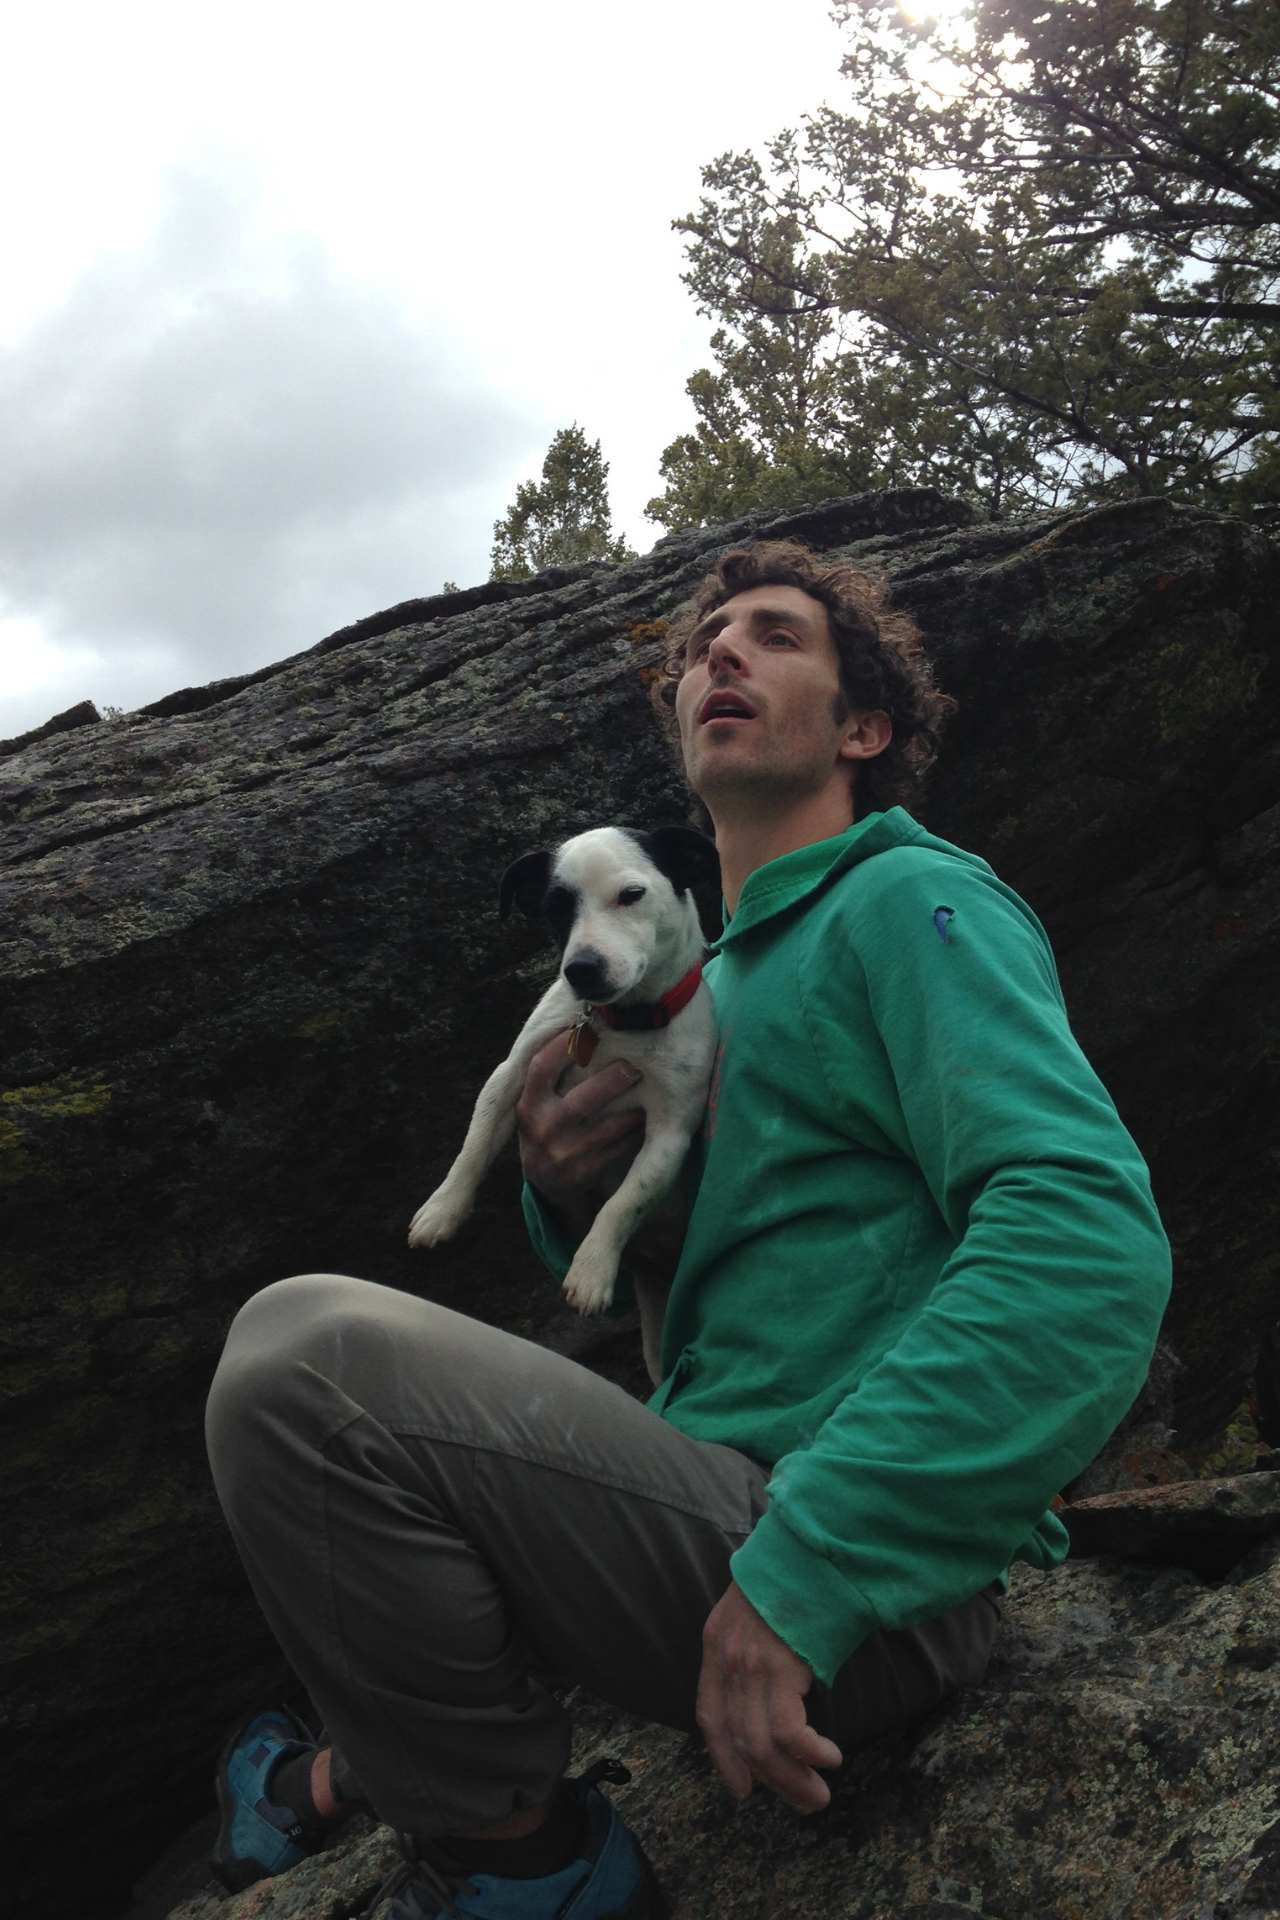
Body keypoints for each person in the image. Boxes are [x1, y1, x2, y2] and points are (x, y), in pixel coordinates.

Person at [205, 540, 1172, 1920]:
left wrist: (811, 1566)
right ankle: (320, 1786)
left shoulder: (905, 901)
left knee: (304, 1357)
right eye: (705, 641)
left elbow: (1086, 1236)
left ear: (864, 728)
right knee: (376, 1458)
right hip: (702, 1494)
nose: (720, 651)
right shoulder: (694, 986)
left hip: (847, 1567)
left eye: (774, 637)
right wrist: (561, 1190)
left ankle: (531, 1874)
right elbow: (749, 1257)